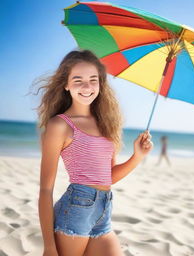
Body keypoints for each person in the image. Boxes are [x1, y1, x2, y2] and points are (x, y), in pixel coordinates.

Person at [36, 50, 153, 256]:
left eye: (93, 79)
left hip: (104, 211)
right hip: (75, 211)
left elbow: (108, 177)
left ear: (100, 83)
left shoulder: (106, 124)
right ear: (66, 84)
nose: (87, 86)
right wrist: (49, 246)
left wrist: (137, 157)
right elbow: (46, 190)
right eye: (78, 80)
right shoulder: (60, 125)